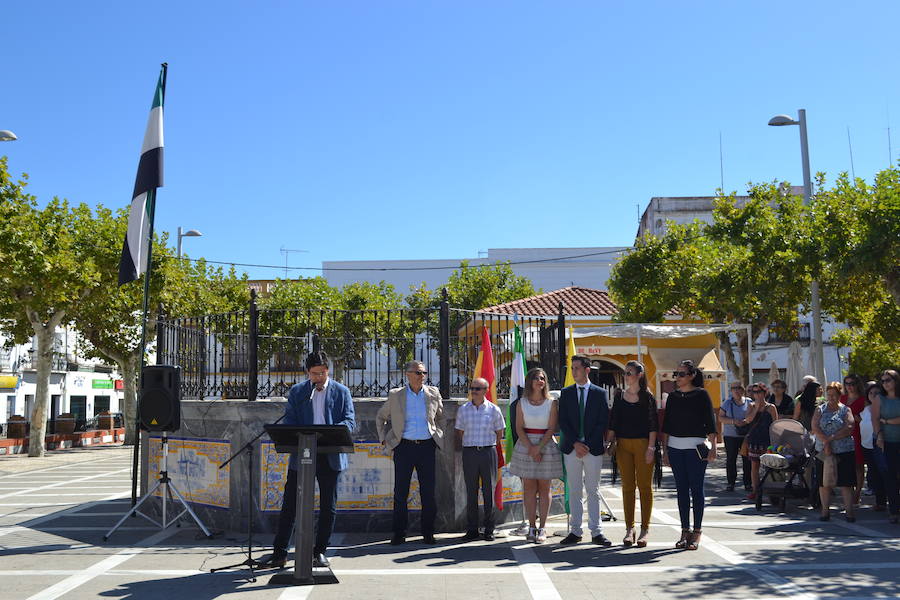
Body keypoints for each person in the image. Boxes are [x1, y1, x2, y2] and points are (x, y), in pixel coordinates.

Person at [268, 351, 356, 569]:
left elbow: (350, 421)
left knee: (328, 505)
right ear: (307, 372)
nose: (320, 378)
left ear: (328, 370)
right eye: (315, 374)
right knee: (290, 504)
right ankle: (279, 553)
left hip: (330, 456)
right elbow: (290, 421)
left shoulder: (341, 391)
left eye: (323, 373)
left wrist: (333, 430)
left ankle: (320, 552)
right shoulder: (298, 392)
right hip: (303, 455)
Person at [376, 360, 446, 545]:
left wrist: (438, 434)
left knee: (428, 493)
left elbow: (441, 417)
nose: (421, 376)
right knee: (400, 492)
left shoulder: (433, 393)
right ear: (408, 374)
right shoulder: (396, 395)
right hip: (404, 447)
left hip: (426, 447)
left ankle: (428, 532)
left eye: (424, 373)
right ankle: (399, 533)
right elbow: (381, 417)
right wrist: (384, 438)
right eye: (418, 373)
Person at [661, 359, 717, 551]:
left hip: (696, 448)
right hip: (675, 448)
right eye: (676, 374)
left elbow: (711, 422)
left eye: (682, 374)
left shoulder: (702, 395)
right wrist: (665, 450)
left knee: (697, 489)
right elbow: (666, 424)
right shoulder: (673, 396)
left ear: (692, 375)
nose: (678, 377)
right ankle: (684, 531)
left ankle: (697, 531)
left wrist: (714, 447)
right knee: (681, 490)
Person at [558, 355, 612, 547]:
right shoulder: (566, 393)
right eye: (572, 368)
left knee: (593, 490)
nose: (574, 372)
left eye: (577, 368)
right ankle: (575, 531)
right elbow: (562, 421)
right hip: (571, 449)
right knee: (574, 490)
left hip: (592, 449)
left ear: (587, 370)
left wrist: (586, 444)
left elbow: (602, 421)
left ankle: (597, 532)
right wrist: (575, 443)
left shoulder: (599, 393)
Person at [606, 360, 658, 547]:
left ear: (639, 375)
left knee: (644, 487)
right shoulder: (619, 396)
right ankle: (630, 528)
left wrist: (651, 449)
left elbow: (653, 425)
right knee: (627, 487)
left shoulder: (648, 397)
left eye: (629, 373)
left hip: (644, 444)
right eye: (625, 373)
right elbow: (613, 423)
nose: (626, 376)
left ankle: (645, 529)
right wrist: (608, 442)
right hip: (623, 445)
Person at [509, 368, 562, 543]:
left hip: (545, 444)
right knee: (529, 487)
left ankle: (543, 528)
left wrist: (538, 448)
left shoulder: (551, 402)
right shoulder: (521, 403)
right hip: (526, 444)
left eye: (543, 378)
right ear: (530, 381)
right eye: (537, 378)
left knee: (545, 487)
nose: (540, 381)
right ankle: (532, 526)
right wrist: (531, 448)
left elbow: (552, 428)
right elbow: (518, 427)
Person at [455, 377, 506, 542]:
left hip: (487, 452)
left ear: (485, 390)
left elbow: (500, 433)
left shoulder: (494, 410)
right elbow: (460, 431)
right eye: (472, 388)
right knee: (471, 491)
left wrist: (486, 446)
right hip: (469, 452)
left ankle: (489, 528)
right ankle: (472, 529)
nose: (474, 391)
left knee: (489, 491)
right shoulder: (463, 409)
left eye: (477, 389)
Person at [812, 382, 856, 522]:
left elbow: (849, 426)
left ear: (839, 395)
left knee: (846, 482)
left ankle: (849, 511)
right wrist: (825, 442)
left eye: (834, 394)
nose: (831, 397)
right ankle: (825, 511)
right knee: (823, 482)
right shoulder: (820, 409)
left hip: (844, 450)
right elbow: (815, 427)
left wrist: (831, 438)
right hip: (823, 451)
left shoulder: (845, 410)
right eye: (829, 394)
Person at [872, 369, 900, 524]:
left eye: (888, 380)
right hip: (886, 441)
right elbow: (875, 419)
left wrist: (888, 421)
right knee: (890, 476)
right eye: (883, 381)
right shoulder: (879, 399)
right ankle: (894, 510)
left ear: (895, 380)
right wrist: (879, 435)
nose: (885, 383)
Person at [744, 383, 779, 501]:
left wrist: (776, 442)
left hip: (768, 440)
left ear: (764, 393)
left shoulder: (771, 407)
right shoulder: (751, 405)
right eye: (754, 392)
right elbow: (748, 420)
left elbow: (776, 425)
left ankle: (773, 490)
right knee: (755, 466)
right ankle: (755, 490)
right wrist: (756, 408)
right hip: (754, 440)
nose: (756, 394)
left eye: (759, 392)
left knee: (770, 466)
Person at [718, 382, 752, 493]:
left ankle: (748, 483)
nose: (736, 390)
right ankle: (731, 482)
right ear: (731, 391)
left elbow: (754, 416)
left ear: (743, 390)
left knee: (747, 460)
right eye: (733, 388)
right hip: (730, 436)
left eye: (738, 388)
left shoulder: (749, 402)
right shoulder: (727, 403)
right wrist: (733, 421)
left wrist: (746, 421)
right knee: (731, 459)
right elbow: (720, 418)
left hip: (745, 436)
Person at [860, 381, 887, 511]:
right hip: (867, 446)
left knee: (885, 472)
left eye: (876, 393)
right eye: (871, 393)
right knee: (874, 474)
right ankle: (880, 501)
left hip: (880, 444)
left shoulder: (884, 408)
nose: (873, 395)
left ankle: (891, 501)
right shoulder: (866, 409)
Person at [841, 373, 867, 504]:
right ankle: (849, 491)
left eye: (852, 384)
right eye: (847, 384)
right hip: (843, 434)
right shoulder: (842, 398)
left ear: (857, 384)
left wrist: (857, 418)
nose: (850, 386)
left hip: (858, 433)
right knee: (846, 464)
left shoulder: (863, 400)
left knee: (858, 465)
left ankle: (858, 492)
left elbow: (867, 419)